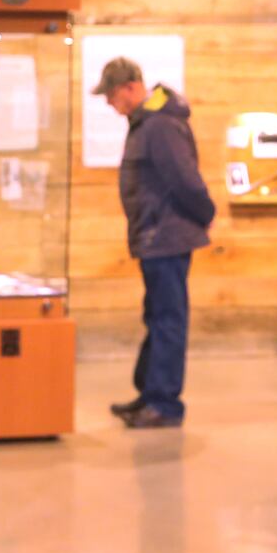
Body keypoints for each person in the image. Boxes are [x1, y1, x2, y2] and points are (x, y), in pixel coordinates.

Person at [94, 57, 215, 429]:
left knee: (168, 320)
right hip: (155, 237)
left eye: (113, 97)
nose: (111, 105)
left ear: (131, 87)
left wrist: (204, 213)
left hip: (166, 237)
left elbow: (185, 179)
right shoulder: (147, 122)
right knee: (158, 317)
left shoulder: (160, 125)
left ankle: (164, 403)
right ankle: (151, 393)